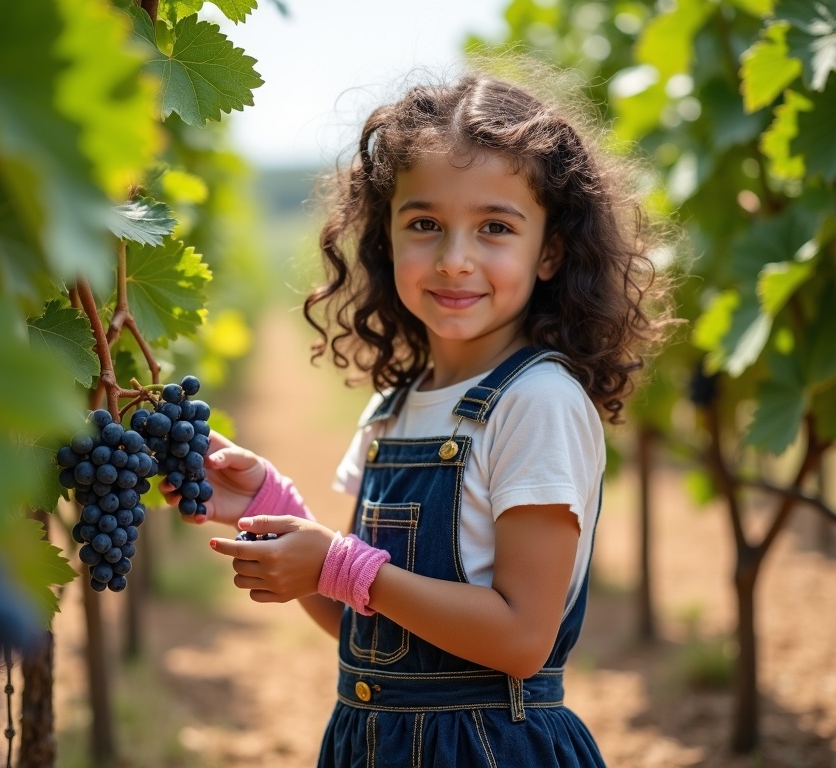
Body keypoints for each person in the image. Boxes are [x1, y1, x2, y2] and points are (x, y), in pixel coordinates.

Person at [161, 65, 674, 767]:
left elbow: (523, 639)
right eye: (425, 224)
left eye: (495, 227)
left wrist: (340, 562)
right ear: (387, 237)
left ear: (549, 251)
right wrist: (269, 504)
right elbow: (363, 623)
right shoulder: (394, 408)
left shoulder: (538, 403)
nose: (454, 259)